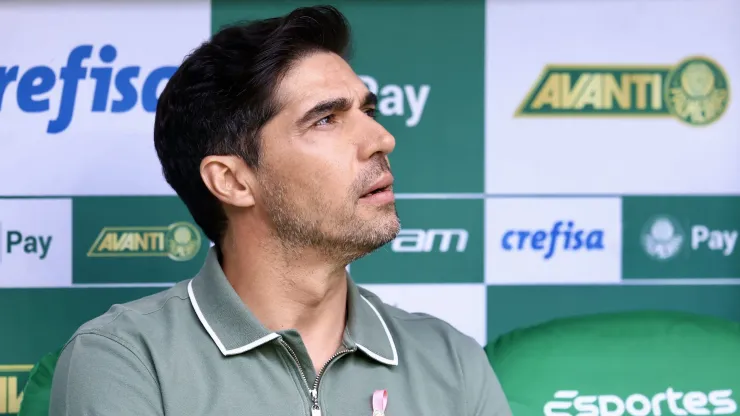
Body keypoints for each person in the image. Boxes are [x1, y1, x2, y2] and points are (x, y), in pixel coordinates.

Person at [49, 5, 512, 415]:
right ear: (232, 181)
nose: (382, 139)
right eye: (326, 119)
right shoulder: (125, 359)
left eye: (367, 111)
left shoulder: (451, 360)